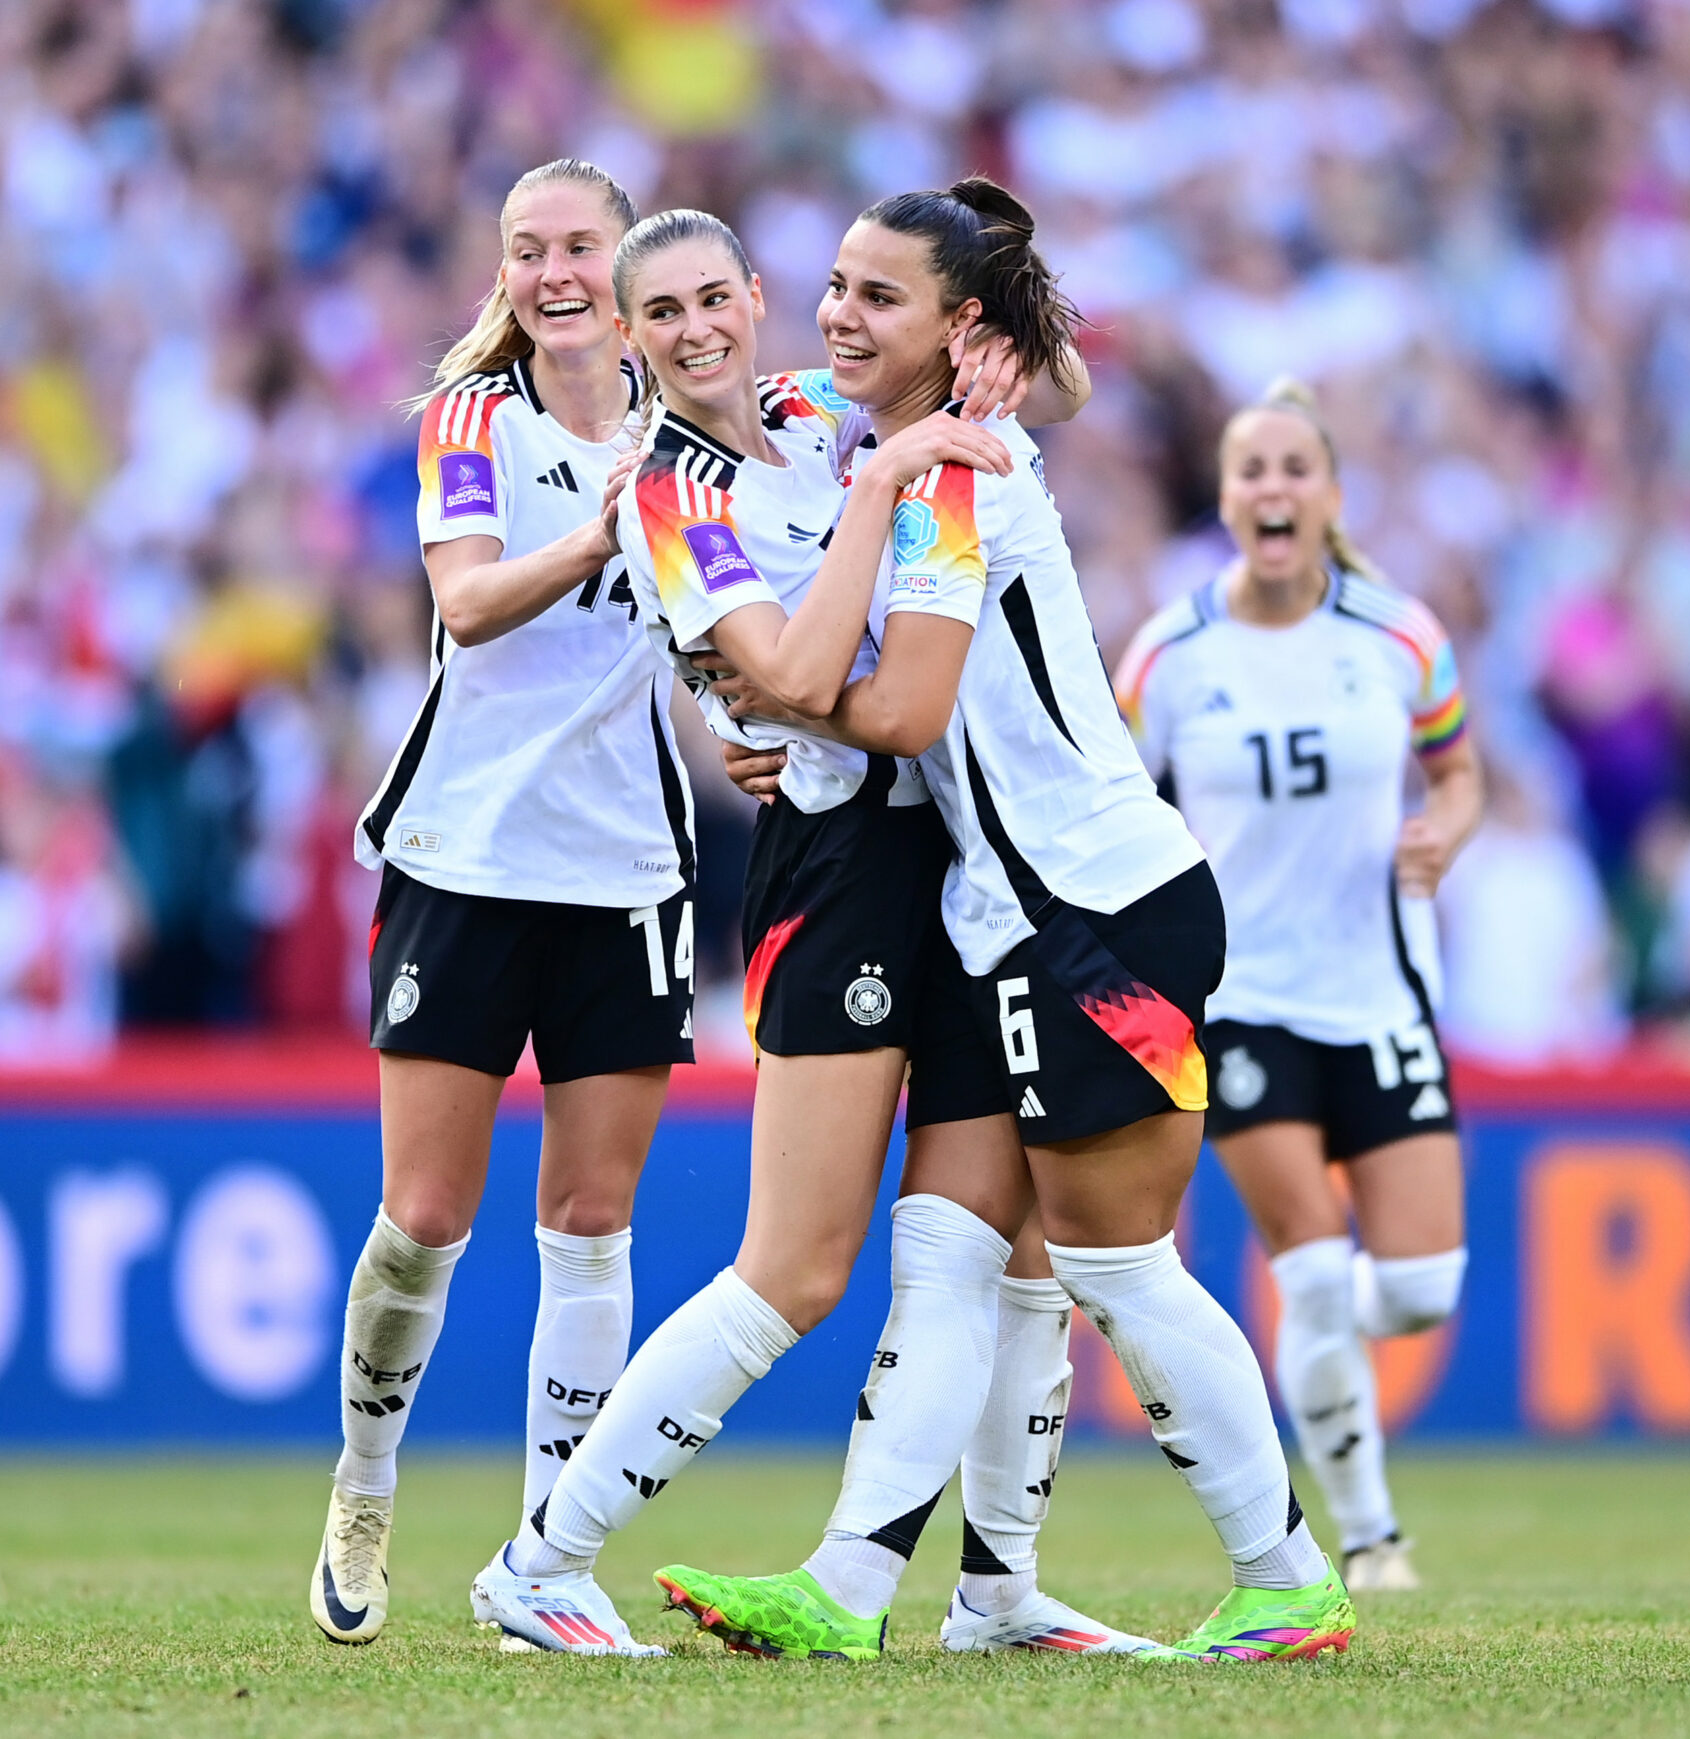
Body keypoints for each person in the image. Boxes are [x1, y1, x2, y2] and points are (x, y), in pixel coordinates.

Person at [639, 182, 1356, 1665]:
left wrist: (764, 691)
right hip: (1027, 910)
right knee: (955, 1256)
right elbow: (1010, 374)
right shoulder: (900, 444)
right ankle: (846, 1585)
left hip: (1093, 906)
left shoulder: (950, 471)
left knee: (1117, 1267)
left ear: (956, 330)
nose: (836, 313)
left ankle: (1287, 1573)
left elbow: (900, 709)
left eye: (875, 296)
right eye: (832, 283)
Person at [466, 202, 1158, 1658]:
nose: (699, 330)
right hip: (835, 863)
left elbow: (1053, 388)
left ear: (757, 296)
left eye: (717, 297)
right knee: (794, 1263)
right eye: (663, 316)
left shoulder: (816, 401)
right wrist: (889, 477)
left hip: (959, 849)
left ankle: (1001, 1586)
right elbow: (780, 667)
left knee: (1000, 1243)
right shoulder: (667, 488)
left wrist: (1001, 366)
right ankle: (544, 1555)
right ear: (632, 341)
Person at [309, 158, 695, 1646]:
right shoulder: (472, 417)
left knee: (591, 1223)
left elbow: (709, 622)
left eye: (579, 247)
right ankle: (364, 1477)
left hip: (625, 877)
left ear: (625, 261)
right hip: (463, 860)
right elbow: (464, 602)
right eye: (528, 249)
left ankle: (548, 1555)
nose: (554, 273)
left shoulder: (690, 436)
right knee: (423, 1216)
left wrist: (740, 719)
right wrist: (608, 529)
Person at [1113, 378, 1483, 1592]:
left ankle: (1343, 1440)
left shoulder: (1398, 635)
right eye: (1251, 470)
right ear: (1224, 500)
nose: (1272, 488)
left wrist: (1446, 830)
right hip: (1244, 1002)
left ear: (1329, 494)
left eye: (1293, 468)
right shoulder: (1170, 654)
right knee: (1312, 1266)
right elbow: (1111, 807)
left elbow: (1459, 769)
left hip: (1380, 993)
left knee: (1420, 1290)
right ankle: (1371, 1536)